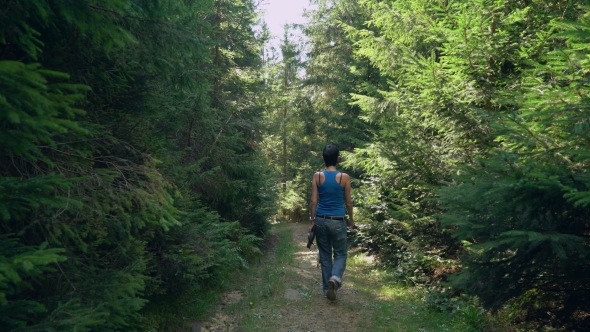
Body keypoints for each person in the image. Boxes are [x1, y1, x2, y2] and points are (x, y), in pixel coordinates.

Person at [309, 144, 354, 301]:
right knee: (341, 253)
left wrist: (313, 220)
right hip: (338, 220)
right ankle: (335, 278)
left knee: (325, 254)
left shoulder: (317, 176)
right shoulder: (344, 177)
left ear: (323, 159)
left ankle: (327, 288)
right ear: (338, 159)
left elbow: (313, 201)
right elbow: (348, 203)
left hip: (321, 219)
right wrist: (351, 220)